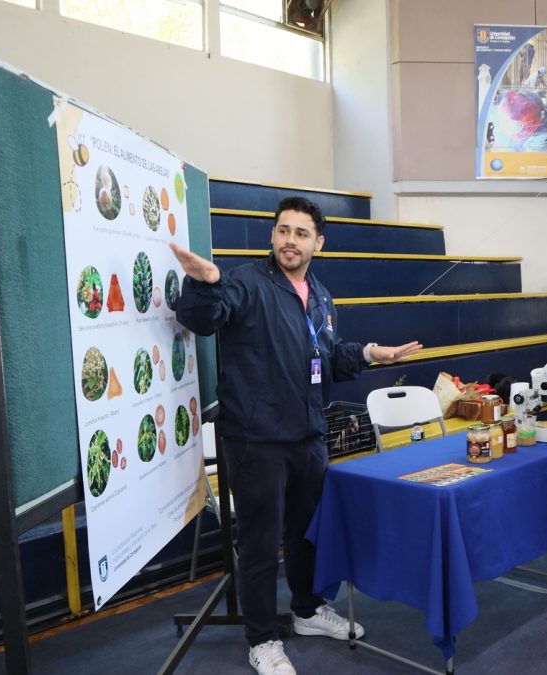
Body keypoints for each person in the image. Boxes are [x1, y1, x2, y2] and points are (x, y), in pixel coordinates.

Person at [171, 196, 421, 675]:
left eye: (301, 233)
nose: (290, 240)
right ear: (272, 236)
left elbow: (325, 355)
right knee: (262, 544)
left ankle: (306, 611)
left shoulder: (321, 295)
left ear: (318, 243)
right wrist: (204, 285)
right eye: (283, 230)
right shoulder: (244, 281)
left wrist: (371, 354)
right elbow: (203, 319)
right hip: (255, 439)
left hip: (309, 436)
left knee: (307, 535)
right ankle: (262, 639)